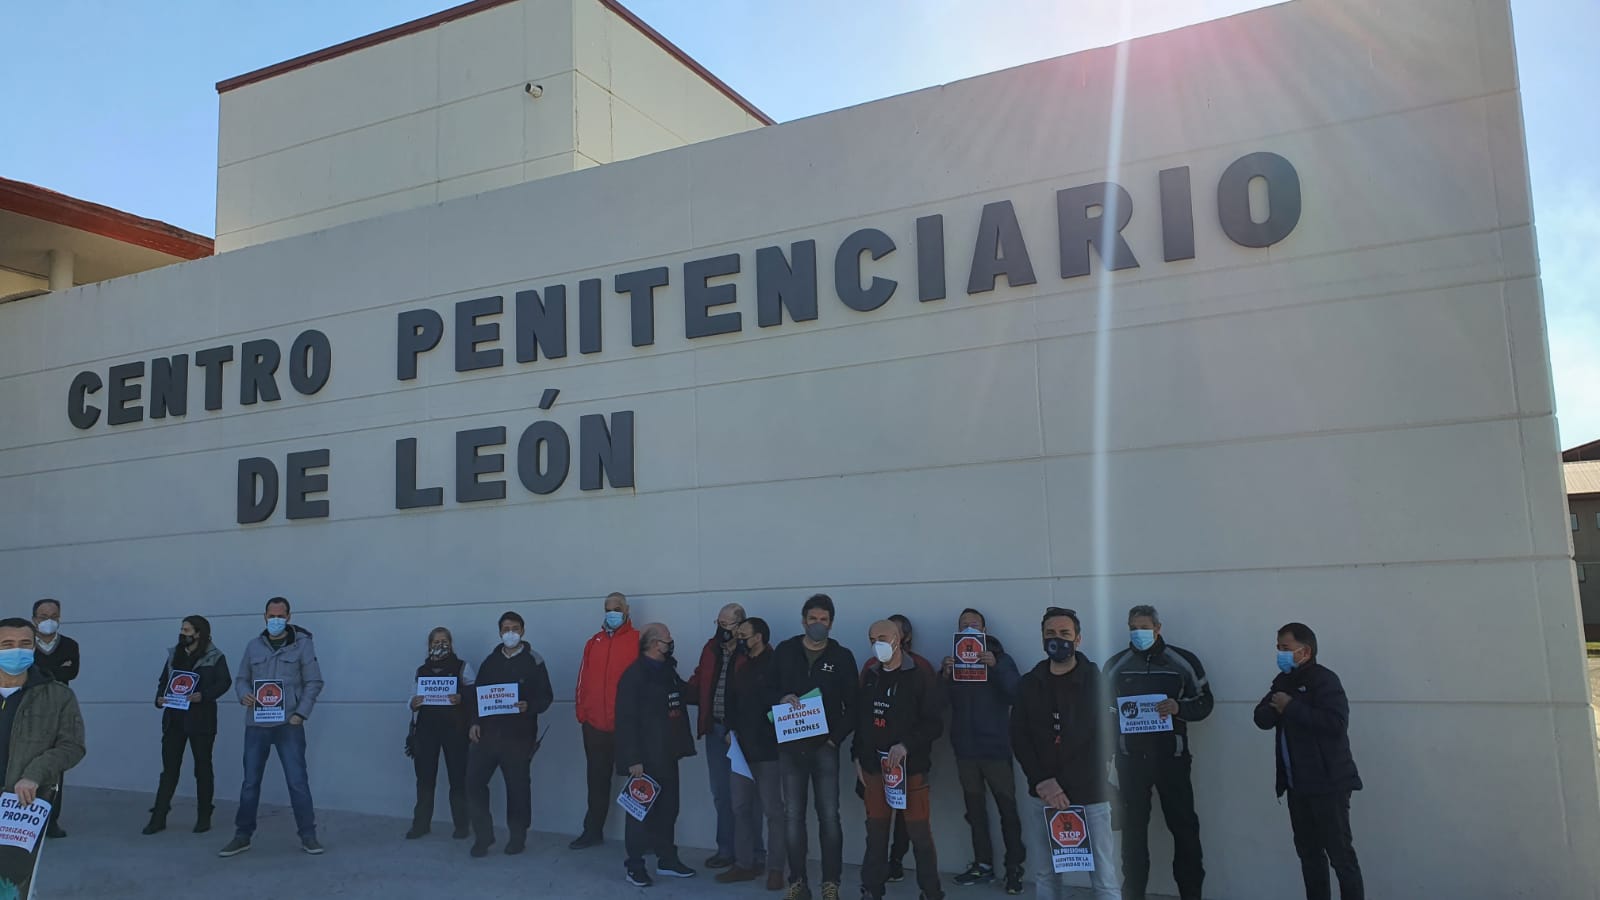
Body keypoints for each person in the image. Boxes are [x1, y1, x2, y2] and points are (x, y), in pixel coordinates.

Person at [1103, 605, 1213, 900]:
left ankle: (1191, 894)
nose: (1138, 633)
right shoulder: (1115, 664)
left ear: (1158, 628)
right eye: (1133, 627)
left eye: (1144, 627)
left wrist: (1180, 708)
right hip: (1131, 763)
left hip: (1172, 761)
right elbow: (1104, 713)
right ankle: (1133, 894)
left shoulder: (1183, 662)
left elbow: (1205, 703)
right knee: (1133, 835)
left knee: (1185, 831)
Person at [1010, 607, 1120, 899]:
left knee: (1104, 876)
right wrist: (1044, 782)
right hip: (1043, 795)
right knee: (1046, 874)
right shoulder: (1028, 684)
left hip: (1090, 795)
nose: (1057, 639)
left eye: (1064, 634)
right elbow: (1019, 737)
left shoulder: (1099, 683)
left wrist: (1064, 785)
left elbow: (1105, 740)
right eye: (1050, 634)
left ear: (1078, 639)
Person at [1253, 623, 1364, 900]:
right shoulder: (1282, 681)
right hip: (1296, 787)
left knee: (1341, 857)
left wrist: (1291, 707)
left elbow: (1335, 723)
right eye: (1278, 648)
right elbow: (1261, 718)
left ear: (1305, 651)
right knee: (1310, 856)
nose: (1280, 653)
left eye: (1285, 648)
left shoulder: (1324, 680)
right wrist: (1277, 708)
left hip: (1329, 784)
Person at [219, 596, 326, 858]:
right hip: (256, 724)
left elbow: (314, 682)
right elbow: (242, 678)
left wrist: (301, 713)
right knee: (250, 783)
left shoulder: (302, 646)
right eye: (271, 615)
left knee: (297, 782)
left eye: (280, 615)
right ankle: (242, 835)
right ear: (264, 616)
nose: (275, 619)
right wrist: (243, 693)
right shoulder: (253, 646)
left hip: (289, 724)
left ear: (289, 617)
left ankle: (308, 836)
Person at [772, 593, 858, 900]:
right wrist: (780, 699)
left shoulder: (842, 656)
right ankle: (797, 882)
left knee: (829, 817)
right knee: (793, 817)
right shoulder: (784, 651)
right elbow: (767, 689)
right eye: (813, 619)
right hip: (791, 748)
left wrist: (835, 738)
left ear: (831, 623)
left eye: (823, 620)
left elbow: (855, 705)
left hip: (825, 749)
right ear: (803, 620)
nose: (818, 624)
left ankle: (830, 883)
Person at [854, 619, 944, 900]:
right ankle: (871, 890)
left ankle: (931, 892)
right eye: (871, 638)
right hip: (874, 770)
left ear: (898, 639)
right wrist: (856, 756)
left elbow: (934, 724)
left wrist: (907, 745)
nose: (876, 642)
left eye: (882, 636)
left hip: (910, 770)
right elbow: (862, 721)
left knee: (919, 835)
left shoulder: (919, 675)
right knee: (876, 835)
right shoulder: (870, 675)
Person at [940, 607, 1025, 894]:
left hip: (995, 748)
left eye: (974, 625)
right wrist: (945, 674)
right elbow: (938, 704)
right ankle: (982, 865)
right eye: (964, 625)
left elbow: (1016, 693)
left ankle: (1014, 868)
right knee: (974, 812)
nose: (969, 629)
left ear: (984, 631)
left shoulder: (1001, 659)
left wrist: (996, 664)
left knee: (1008, 811)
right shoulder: (953, 663)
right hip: (966, 749)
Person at [615, 622, 698, 886]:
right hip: (644, 758)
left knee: (668, 809)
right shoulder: (634, 675)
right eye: (667, 638)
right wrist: (633, 759)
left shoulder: (668, 671)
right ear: (653, 643)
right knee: (639, 812)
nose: (670, 642)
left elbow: (686, 693)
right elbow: (625, 719)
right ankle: (635, 865)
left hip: (668, 753)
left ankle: (667, 859)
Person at [466, 611, 554, 857]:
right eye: (506, 628)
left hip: (518, 737)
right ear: (500, 632)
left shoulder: (534, 661)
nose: (510, 633)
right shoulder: (489, 662)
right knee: (473, 784)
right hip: (487, 736)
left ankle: (517, 837)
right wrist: (474, 722)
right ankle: (483, 836)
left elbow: (547, 697)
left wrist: (529, 706)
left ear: (523, 630)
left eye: (515, 628)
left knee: (517, 789)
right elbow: (477, 696)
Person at [0, 617, 86, 851]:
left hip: (19, 809)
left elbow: (72, 746)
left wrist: (35, 774)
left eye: (24, 643)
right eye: (7, 645)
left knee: (11, 882)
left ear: (34, 647)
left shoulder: (58, 696)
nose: (16, 651)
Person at [144, 615, 231, 835]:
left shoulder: (215, 656)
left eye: (187, 630)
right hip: (174, 720)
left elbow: (225, 682)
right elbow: (164, 681)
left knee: (202, 768)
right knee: (169, 770)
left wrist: (204, 695)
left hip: (201, 721)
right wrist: (159, 698)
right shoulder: (174, 654)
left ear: (199, 633)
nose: (183, 633)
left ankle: (204, 816)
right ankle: (159, 816)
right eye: (182, 629)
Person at [720, 617, 787, 890]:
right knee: (740, 808)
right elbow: (732, 702)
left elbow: (782, 704)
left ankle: (775, 870)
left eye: (744, 635)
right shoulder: (742, 667)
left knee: (774, 812)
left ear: (758, 637)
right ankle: (744, 865)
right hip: (741, 751)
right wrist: (729, 728)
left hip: (769, 751)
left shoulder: (777, 666)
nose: (739, 640)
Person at [685, 601, 752, 870]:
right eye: (718, 624)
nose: (721, 629)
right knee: (721, 794)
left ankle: (751, 855)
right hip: (715, 730)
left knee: (746, 798)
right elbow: (699, 680)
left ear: (740, 626)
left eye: (727, 625)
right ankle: (725, 850)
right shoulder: (711, 649)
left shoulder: (753, 651)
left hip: (742, 735)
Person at [571, 591, 640, 849]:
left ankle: (645, 838)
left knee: (640, 782)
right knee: (597, 782)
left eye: (617, 608)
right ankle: (592, 831)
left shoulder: (637, 640)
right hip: (595, 726)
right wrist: (583, 714)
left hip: (626, 727)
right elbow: (582, 678)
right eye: (608, 608)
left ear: (627, 610)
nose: (612, 613)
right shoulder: (594, 642)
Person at [406, 627, 476, 840]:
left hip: (455, 731)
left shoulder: (462, 667)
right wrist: (413, 703)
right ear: (429, 646)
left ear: (451, 643)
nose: (440, 644)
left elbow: (475, 694)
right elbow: (411, 698)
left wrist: (461, 697)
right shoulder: (422, 670)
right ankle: (421, 824)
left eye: (444, 640)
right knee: (425, 780)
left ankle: (462, 825)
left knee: (458, 779)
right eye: (436, 641)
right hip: (427, 732)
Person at [31, 598, 77, 839]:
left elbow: (72, 671)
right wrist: (55, 671)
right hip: (28, 712)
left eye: (54, 616)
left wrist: (41, 672)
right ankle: (26, 821)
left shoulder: (69, 645)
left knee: (55, 767)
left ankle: (51, 821)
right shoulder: (25, 644)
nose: (48, 621)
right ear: (33, 618)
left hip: (58, 712)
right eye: (43, 616)